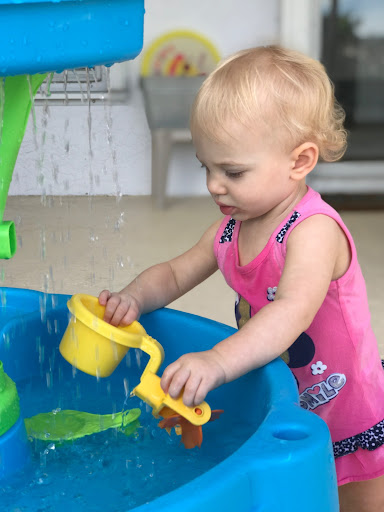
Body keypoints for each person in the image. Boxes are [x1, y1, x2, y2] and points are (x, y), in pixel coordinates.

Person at [99, 46, 384, 511]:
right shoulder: (229, 230)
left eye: (232, 171)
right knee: (298, 491)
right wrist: (133, 297)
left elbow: (290, 311)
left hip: (346, 403)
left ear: (299, 161)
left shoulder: (313, 232)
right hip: (288, 391)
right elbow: (174, 272)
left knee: (360, 500)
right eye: (205, 167)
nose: (213, 184)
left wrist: (216, 361)